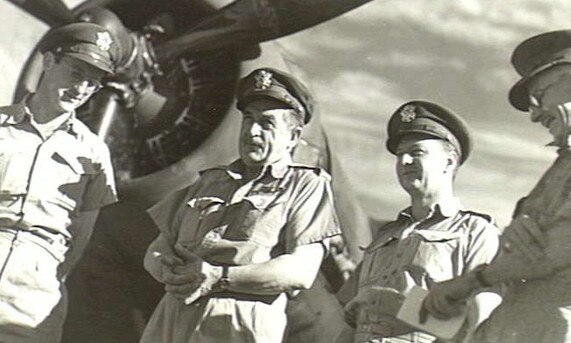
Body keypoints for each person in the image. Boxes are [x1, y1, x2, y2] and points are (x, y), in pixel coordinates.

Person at [422, 29, 571, 343]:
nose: (535, 115)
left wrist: (472, 280)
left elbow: (565, 244)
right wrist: (513, 246)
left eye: (539, 98)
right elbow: (533, 251)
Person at [139, 67, 342, 343]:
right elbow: (158, 247)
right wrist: (165, 269)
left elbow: (300, 271)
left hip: (238, 324)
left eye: (266, 123)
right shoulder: (208, 181)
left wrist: (217, 277)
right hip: (171, 318)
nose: (252, 131)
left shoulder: (306, 186)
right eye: (248, 119)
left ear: (293, 137)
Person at [336, 101, 501, 343]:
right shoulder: (383, 238)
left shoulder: (475, 233)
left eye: (416, 152)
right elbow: (353, 322)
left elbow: (481, 324)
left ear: (449, 162)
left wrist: (398, 306)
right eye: (400, 155)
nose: (404, 162)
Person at [0, 22, 119, 342]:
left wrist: (44, 278)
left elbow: (81, 234)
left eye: (93, 83)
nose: (82, 89)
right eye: (76, 73)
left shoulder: (94, 154)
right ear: (49, 61)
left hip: (33, 299)